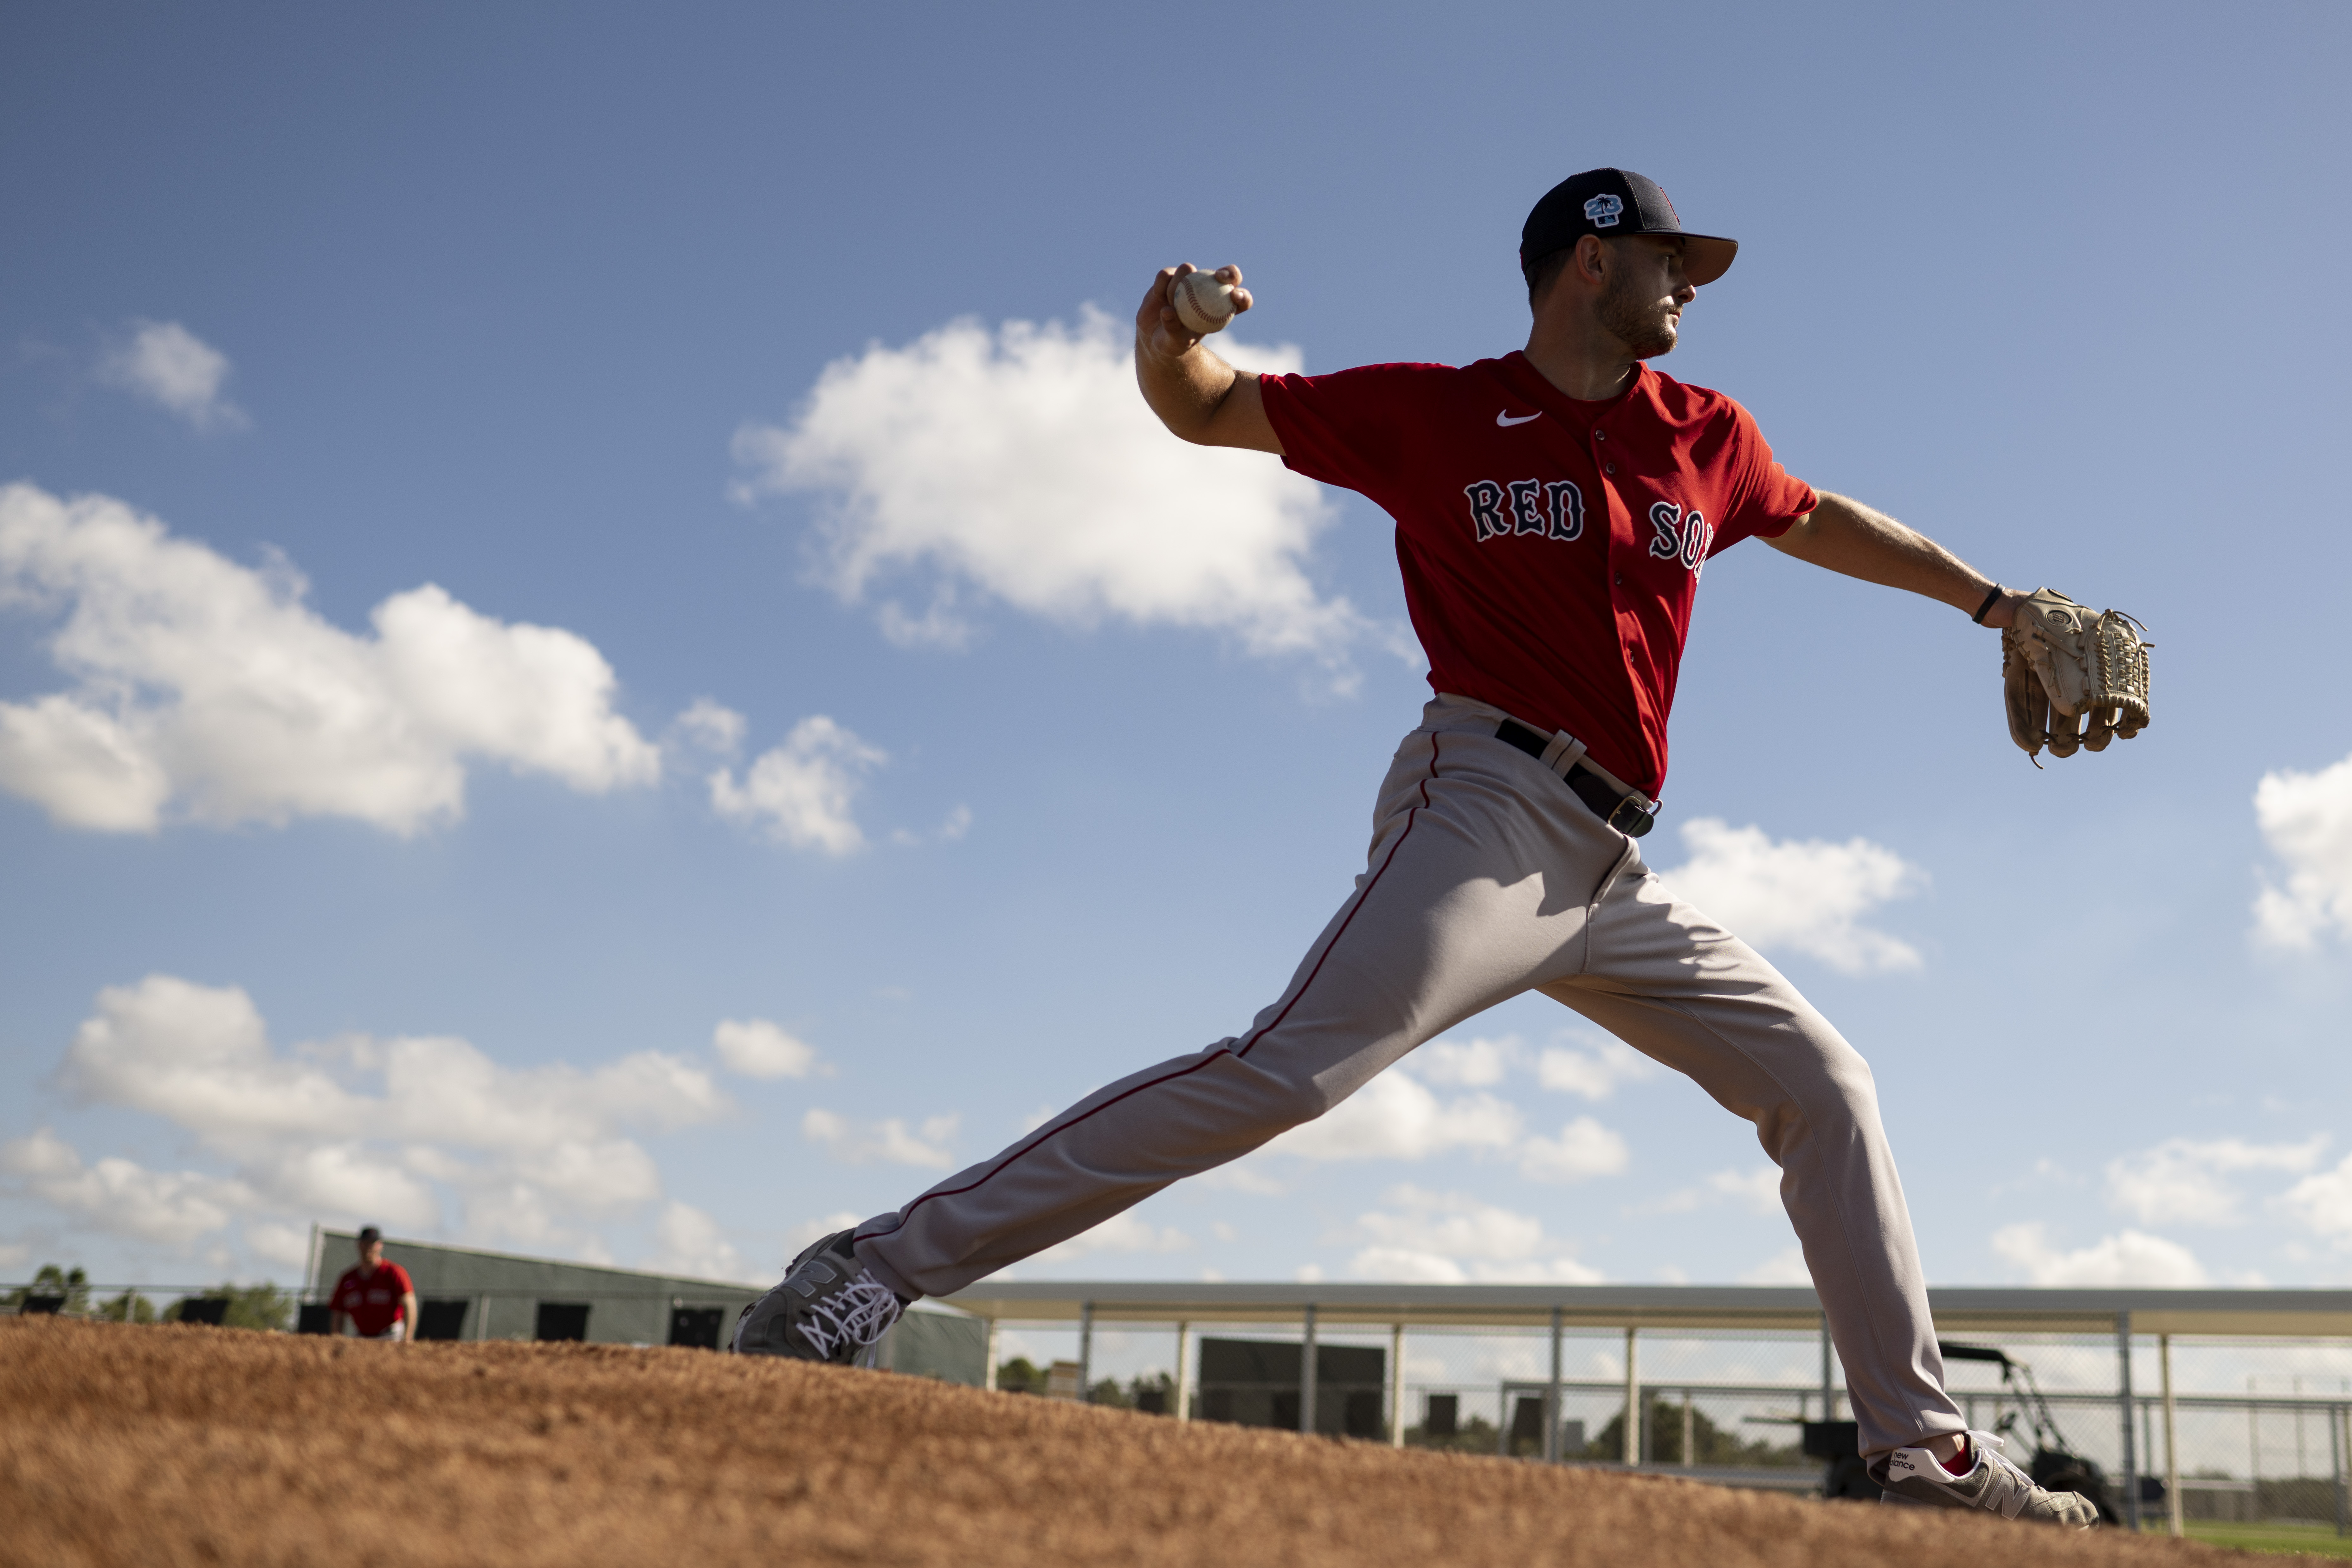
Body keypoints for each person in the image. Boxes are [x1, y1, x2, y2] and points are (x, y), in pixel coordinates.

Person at [735, 169, 2098, 1527]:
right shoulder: (1433, 411)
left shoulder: (1705, 433)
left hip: (1613, 867)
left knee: (1824, 1082)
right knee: (1285, 1072)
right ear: (1587, 263)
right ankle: (869, 1269)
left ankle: (1921, 1449)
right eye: (1669, 260)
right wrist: (1167, 340)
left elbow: (1814, 516)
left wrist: (1990, 602)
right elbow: (1205, 407)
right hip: (1483, 809)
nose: (1688, 284)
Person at [328, 1226, 417, 1343]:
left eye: (373, 1243)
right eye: (365, 1243)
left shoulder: (394, 1273)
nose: (369, 1247)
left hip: (390, 1336)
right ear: (359, 1245)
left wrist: (407, 1339)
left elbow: (410, 1305)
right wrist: (337, 1339)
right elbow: (338, 1313)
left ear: (380, 1246)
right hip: (361, 1337)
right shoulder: (348, 1278)